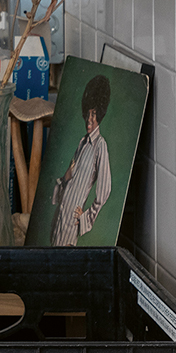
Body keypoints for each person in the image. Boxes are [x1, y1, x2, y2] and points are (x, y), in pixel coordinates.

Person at [50, 74, 112, 247]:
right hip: (60, 216)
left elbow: (104, 191)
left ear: (100, 115)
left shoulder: (100, 146)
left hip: (71, 223)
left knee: (63, 260)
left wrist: (85, 218)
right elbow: (70, 178)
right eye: (87, 113)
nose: (89, 119)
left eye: (94, 114)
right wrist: (64, 179)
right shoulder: (82, 142)